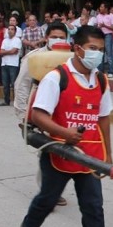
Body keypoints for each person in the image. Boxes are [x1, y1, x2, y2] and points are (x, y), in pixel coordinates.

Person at [20, 25, 113, 227]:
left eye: (101, 50)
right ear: (77, 49)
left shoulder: (101, 79)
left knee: (93, 206)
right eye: (92, 49)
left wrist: (108, 156)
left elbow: (104, 117)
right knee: (48, 199)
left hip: (90, 155)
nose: (97, 54)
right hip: (58, 152)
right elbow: (38, 115)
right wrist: (65, 134)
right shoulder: (57, 77)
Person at [14, 22, 70, 206]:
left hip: (62, 108)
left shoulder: (70, 58)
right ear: (46, 37)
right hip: (40, 107)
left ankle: (52, 190)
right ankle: (48, 193)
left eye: (62, 37)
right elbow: (22, 85)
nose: (58, 40)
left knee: (61, 149)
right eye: (54, 36)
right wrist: (22, 114)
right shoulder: (35, 57)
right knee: (46, 149)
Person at [0, 25, 23, 106]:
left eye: (12, 29)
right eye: (9, 29)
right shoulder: (5, 40)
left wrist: (5, 52)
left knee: (14, 84)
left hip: (13, 64)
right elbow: (1, 52)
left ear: (15, 31)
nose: (10, 31)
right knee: (5, 84)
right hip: (4, 64)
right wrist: (9, 52)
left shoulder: (17, 40)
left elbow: (14, 51)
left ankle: (16, 102)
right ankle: (6, 101)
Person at [96, 2, 113, 77]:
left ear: (106, 8)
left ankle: (111, 71)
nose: (100, 8)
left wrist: (104, 25)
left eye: (102, 7)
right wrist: (98, 27)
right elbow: (97, 25)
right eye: (100, 7)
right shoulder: (98, 16)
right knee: (100, 53)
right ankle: (100, 71)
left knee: (109, 53)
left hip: (108, 35)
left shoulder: (111, 16)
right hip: (100, 35)